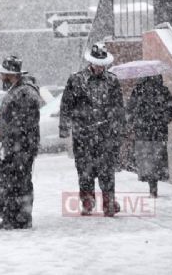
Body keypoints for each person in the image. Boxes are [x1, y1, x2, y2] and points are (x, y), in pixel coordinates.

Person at [59, 42, 125, 217]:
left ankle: (109, 203)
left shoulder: (112, 81)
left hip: (105, 134)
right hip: (83, 134)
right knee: (85, 170)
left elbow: (118, 107)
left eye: (103, 64)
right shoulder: (76, 80)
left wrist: (119, 128)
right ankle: (87, 202)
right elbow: (66, 105)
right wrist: (64, 127)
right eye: (97, 63)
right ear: (91, 62)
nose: (100, 67)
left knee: (107, 170)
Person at [0, 56, 41, 230]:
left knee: (18, 183)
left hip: (20, 148)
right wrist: (0, 114)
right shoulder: (17, 90)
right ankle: (11, 218)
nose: (0, 78)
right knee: (10, 183)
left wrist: (12, 137)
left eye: (2, 74)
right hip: (14, 146)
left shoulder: (24, 92)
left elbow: (24, 121)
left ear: (10, 75)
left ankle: (19, 219)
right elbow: (15, 113)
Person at [126, 75, 172, 198]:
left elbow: (130, 109)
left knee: (148, 160)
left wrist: (136, 121)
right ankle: (153, 186)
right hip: (156, 132)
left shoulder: (138, 90)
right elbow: (170, 110)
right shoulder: (162, 90)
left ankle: (152, 187)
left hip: (145, 132)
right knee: (155, 160)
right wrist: (162, 120)